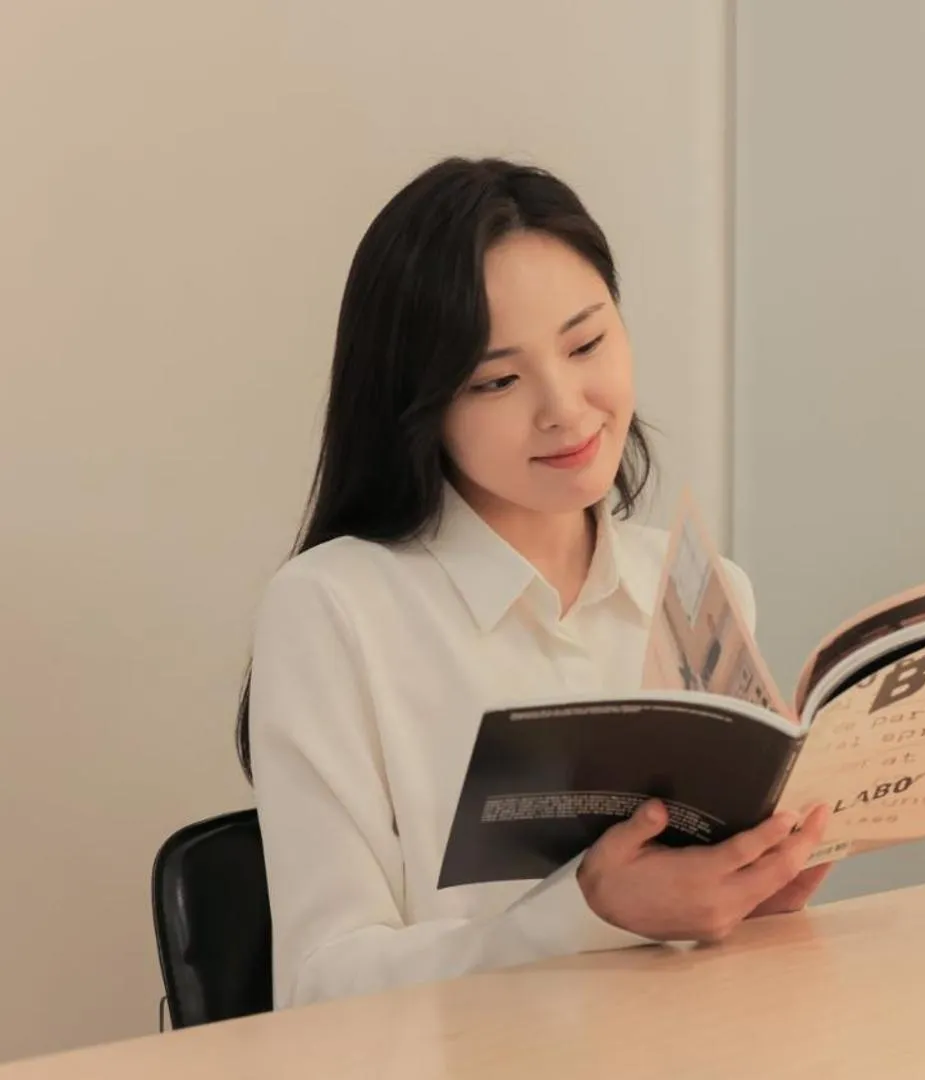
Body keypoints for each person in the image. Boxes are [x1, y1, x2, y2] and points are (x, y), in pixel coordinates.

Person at [240, 157, 830, 1010]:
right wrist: (586, 912)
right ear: (420, 408)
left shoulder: (698, 586)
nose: (563, 406)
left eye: (587, 343)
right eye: (496, 381)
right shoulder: (335, 608)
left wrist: (750, 898)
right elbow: (319, 984)